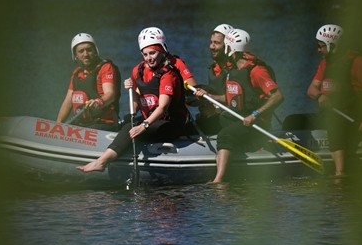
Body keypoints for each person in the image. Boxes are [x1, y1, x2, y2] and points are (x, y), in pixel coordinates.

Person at [78, 27, 190, 173]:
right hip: (151, 120)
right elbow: (135, 106)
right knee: (126, 122)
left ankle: (101, 161)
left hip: (170, 122)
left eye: (153, 53)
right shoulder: (138, 70)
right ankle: (111, 147)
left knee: (130, 130)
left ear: (162, 51)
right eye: (145, 54)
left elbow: (162, 107)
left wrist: (143, 126)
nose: (149, 58)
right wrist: (131, 90)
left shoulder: (169, 74)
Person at [193, 28, 284, 184]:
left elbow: (278, 96)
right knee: (204, 123)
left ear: (231, 49)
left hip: (255, 122)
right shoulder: (233, 70)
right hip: (237, 117)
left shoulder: (257, 71)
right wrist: (209, 96)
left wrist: (255, 114)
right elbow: (231, 97)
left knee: (224, 135)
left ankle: (219, 180)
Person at [305, 23, 362, 178]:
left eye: (321, 46)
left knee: (335, 124)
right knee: (295, 120)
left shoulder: (357, 62)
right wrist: (320, 96)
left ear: (332, 45)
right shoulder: (325, 63)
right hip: (332, 113)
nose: (318, 49)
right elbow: (311, 89)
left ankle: (339, 174)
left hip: (353, 113)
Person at [56, 33, 121, 130]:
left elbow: (110, 94)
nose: (85, 54)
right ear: (75, 55)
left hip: (102, 123)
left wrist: (98, 102)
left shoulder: (106, 68)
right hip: (81, 124)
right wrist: (58, 124)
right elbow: (68, 102)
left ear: (95, 51)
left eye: (89, 50)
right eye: (81, 51)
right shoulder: (76, 73)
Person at [191, 23, 236, 135]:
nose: (211, 46)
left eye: (216, 43)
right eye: (211, 42)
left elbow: (238, 99)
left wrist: (211, 97)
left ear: (228, 46)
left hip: (233, 119)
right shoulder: (214, 68)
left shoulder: (237, 70)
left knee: (190, 129)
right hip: (217, 115)